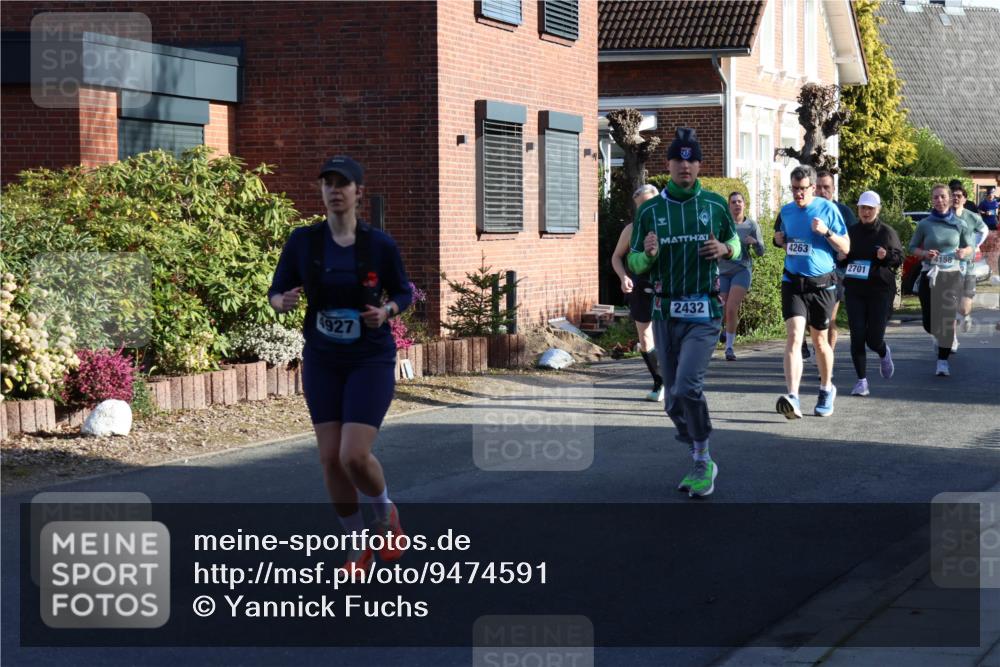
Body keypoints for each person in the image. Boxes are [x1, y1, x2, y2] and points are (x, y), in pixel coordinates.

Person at [269, 156, 412, 572]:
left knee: (353, 455)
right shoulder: (304, 242)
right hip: (323, 359)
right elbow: (276, 291)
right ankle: (355, 541)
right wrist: (282, 301)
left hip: (369, 359)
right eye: (328, 183)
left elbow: (403, 292)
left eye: (342, 184)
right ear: (322, 191)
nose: (334, 190)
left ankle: (385, 515)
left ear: (358, 192)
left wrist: (386, 310)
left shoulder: (379, 245)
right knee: (330, 458)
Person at [628, 128, 740, 498]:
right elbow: (634, 261)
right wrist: (649, 255)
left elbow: (735, 242)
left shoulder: (715, 205)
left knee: (688, 385)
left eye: (692, 161)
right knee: (673, 401)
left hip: (704, 310)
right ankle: (698, 452)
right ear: (669, 164)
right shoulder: (650, 211)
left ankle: (703, 459)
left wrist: (725, 249)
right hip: (665, 312)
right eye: (678, 160)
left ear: (700, 166)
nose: (685, 167)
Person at [773, 165, 849, 418]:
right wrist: (779, 241)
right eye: (794, 188)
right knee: (794, 336)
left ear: (813, 188)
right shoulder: (786, 211)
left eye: (802, 189)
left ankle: (826, 389)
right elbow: (782, 239)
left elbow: (846, 247)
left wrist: (826, 232)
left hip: (822, 285)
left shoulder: (828, 209)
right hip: (793, 282)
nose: (798, 194)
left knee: (819, 341)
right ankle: (793, 396)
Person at [836, 191, 903, 397]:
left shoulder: (886, 232)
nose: (865, 212)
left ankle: (883, 351)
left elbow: (899, 258)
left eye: (870, 209)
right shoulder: (851, 232)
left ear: (877, 210)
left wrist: (886, 255)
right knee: (857, 335)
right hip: (855, 289)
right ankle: (861, 381)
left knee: (873, 339)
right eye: (862, 208)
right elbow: (843, 258)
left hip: (879, 290)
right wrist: (841, 257)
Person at [909, 184, 972, 376]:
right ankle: (938, 336)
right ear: (932, 200)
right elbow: (912, 248)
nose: (940, 200)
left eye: (943, 196)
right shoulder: (925, 224)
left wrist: (963, 252)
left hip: (951, 275)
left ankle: (942, 362)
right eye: (936, 197)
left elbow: (970, 248)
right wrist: (925, 253)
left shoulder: (960, 224)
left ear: (950, 199)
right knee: (929, 323)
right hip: (930, 274)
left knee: (947, 318)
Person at [612, 184, 664, 401]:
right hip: (640, 286)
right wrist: (623, 276)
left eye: (648, 204)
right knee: (644, 336)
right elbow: (616, 257)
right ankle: (659, 382)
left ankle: (676, 377)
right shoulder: (631, 229)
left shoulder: (669, 225)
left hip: (666, 286)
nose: (644, 210)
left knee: (669, 334)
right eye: (640, 206)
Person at [717, 191, 765, 360]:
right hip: (723, 271)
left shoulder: (751, 225)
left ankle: (729, 348)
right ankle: (726, 330)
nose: (737, 204)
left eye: (739, 201)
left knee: (731, 307)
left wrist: (755, 243)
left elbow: (761, 252)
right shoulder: (723, 225)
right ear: (729, 206)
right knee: (721, 307)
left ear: (744, 204)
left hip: (741, 270)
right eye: (733, 202)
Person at [950, 185, 987, 342]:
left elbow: (984, 230)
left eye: (959, 196)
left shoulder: (972, 216)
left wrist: (976, 245)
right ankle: (952, 338)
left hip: (968, 265)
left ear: (965, 199)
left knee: (964, 307)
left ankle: (965, 316)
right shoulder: (943, 216)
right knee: (950, 302)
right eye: (953, 195)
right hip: (950, 265)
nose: (956, 198)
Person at [978, 186, 1000, 284]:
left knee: (994, 248)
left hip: (994, 226)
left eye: (992, 194)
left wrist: (996, 216)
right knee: (985, 247)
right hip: (985, 226)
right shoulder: (983, 203)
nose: (991, 196)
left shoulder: (996, 202)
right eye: (990, 194)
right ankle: (984, 267)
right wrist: (984, 213)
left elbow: (997, 212)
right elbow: (978, 211)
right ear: (987, 194)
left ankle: (993, 269)